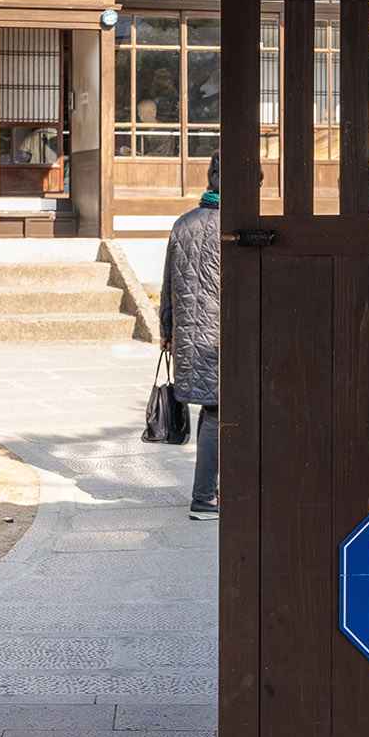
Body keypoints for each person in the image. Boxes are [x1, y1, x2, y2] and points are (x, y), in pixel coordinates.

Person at [159, 154, 222, 521]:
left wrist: (166, 332)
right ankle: (204, 498)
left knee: (212, 410)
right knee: (218, 412)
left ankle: (210, 492)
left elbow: (167, 286)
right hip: (221, 338)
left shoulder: (183, 224)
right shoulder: (234, 226)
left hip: (188, 338)